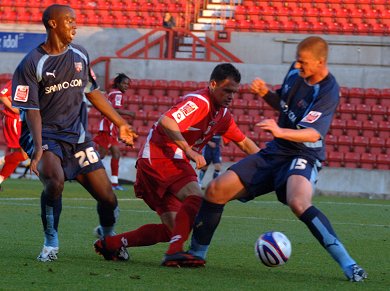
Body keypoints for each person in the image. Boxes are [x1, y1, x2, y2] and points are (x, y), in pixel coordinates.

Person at [180, 36, 367, 282]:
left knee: (298, 202)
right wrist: (266, 93)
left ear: (321, 62)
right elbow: (285, 105)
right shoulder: (295, 72)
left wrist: (280, 131)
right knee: (216, 190)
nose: (298, 66)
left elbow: (313, 133)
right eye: (297, 61)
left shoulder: (329, 90)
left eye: (304, 62)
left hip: (304, 153)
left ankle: (349, 264)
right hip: (277, 150)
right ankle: (196, 255)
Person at [93, 63, 260, 264]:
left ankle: (110, 244)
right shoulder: (199, 102)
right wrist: (188, 150)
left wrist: (269, 164)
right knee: (196, 197)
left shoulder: (222, 115)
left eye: (234, 92)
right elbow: (167, 121)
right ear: (213, 84)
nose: (231, 96)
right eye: (227, 90)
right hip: (159, 156)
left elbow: (243, 142)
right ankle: (174, 253)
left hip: (161, 161)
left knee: (173, 229)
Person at [11, 4, 137, 262]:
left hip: (77, 137)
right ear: (53, 24)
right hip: (44, 135)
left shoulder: (80, 54)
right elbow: (32, 111)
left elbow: (93, 92)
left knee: (108, 199)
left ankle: (108, 237)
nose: (75, 25)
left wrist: (120, 122)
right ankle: (50, 244)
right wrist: (36, 149)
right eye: (69, 21)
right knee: (55, 182)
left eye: (75, 21)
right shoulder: (32, 63)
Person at [94, 73, 135, 191]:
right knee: (99, 155)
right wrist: (129, 113)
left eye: (128, 84)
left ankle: (114, 183)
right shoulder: (117, 94)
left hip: (111, 128)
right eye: (124, 83)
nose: (126, 86)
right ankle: (79, 171)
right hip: (107, 127)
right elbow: (114, 109)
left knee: (116, 154)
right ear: (118, 83)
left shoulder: (112, 93)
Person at [0, 80, 29, 190]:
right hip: (14, 120)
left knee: (16, 157)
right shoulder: (17, 80)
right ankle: (1, 160)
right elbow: (3, 95)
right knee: (24, 155)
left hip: (21, 121)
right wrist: (16, 110)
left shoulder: (33, 83)